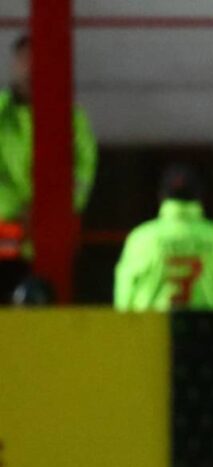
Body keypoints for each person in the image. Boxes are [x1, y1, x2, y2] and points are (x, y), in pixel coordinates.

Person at [0, 34, 97, 302]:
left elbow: (84, 172)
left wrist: (54, 209)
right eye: (23, 60)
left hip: (53, 244)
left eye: (35, 59)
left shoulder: (71, 117)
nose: (29, 67)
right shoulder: (1, 113)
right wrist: (17, 210)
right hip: (6, 241)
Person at [114, 165, 213, 311]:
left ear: (162, 197)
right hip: (209, 331)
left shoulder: (140, 239)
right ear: (200, 198)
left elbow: (124, 301)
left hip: (152, 331)